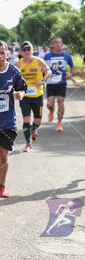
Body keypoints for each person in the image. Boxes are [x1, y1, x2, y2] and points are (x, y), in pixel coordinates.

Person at [0, 41, 26, 198]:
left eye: (2, 53)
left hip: (8, 122)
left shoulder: (13, 71)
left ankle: (2, 186)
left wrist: (20, 94)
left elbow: (23, 88)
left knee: (3, 156)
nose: (0, 56)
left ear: (7, 54)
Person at [17, 41, 51, 151]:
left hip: (38, 96)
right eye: (24, 50)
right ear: (21, 52)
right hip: (25, 96)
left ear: (33, 50)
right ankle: (28, 143)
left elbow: (49, 72)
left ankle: (34, 129)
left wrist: (42, 81)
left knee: (38, 121)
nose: (27, 51)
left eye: (29, 49)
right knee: (26, 119)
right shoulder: (18, 64)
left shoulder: (39, 62)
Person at [44, 37, 75, 131]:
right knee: (50, 104)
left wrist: (70, 74)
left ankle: (59, 123)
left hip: (61, 83)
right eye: (56, 43)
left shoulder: (67, 56)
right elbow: (43, 68)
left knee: (60, 102)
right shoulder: (48, 56)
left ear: (61, 44)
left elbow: (72, 67)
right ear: (53, 45)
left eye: (60, 43)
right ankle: (51, 111)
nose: (58, 44)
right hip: (50, 83)